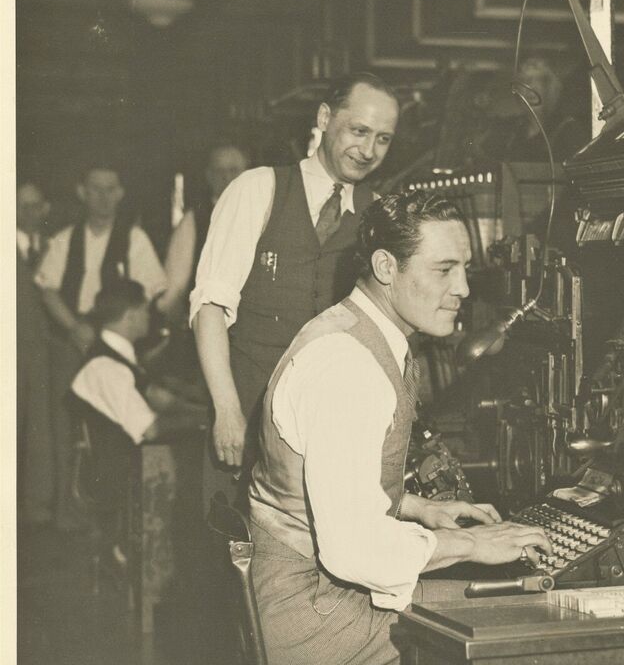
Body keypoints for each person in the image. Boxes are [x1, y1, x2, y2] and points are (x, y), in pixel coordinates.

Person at [248, 190, 551, 665]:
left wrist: (419, 509)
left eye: (465, 269)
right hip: (312, 617)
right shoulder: (349, 366)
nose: (464, 290)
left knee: (511, 601)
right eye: (443, 269)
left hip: (308, 593)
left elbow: (328, 479)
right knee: (528, 630)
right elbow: (352, 550)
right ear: (386, 267)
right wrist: (471, 544)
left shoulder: (351, 331)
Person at [190, 72, 400, 509]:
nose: (368, 151)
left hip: (328, 428)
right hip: (247, 416)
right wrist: (227, 411)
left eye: (383, 139)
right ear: (324, 117)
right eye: (358, 131)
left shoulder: (376, 215)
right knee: (240, 558)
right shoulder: (257, 189)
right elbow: (210, 307)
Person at [35, 160, 167, 532]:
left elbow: (152, 292)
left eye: (111, 189)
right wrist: (75, 327)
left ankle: (118, 515)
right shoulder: (64, 239)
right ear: (82, 193)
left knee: (121, 424)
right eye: (95, 188)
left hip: (114, 339)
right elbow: (47, 289)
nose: (103, 197)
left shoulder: (134, 238)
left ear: (121, 193)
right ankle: (67, 511)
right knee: (67, 426)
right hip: (71, 337)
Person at [70, 279, 206, 566]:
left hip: (126, 463)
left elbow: (156, 396)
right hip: (120, 476)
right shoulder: (106, 367)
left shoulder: (117, 356)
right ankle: (164, 578)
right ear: (130, 316)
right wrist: (202, 422)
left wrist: (197, 410)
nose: (149, 317)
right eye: (145, 311)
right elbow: (150, 428)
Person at [159, 142, 250, 322]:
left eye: (233, 170)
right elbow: (174, 288)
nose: (226, 178)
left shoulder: (258, 214)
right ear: (209, 176)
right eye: (219, 171)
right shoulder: (194, 220)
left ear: (245, 174)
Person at [17, 179, 55, 527]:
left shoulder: (55, 245)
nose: (29, 212)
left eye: (35, 205)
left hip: (43, 350)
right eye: (21, 205)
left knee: (40, 427)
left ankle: (36, 505)